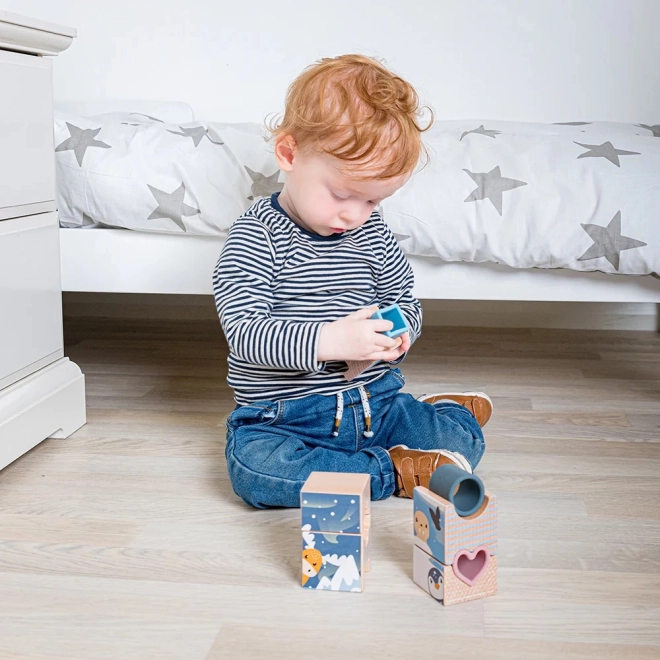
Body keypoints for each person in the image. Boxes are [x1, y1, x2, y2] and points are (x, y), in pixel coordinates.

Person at [213, 54, 492, 508]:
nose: (355, 215)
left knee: (464, 446)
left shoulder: (372, 232)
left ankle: (445, 414)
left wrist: (396, 333)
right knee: (256, 474)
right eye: (342, 194)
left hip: (375, 400)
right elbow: (245, 334)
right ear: (289, 154)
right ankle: (391, 470)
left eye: (372, 201)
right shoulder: (256, 236)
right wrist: (332, 341)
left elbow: (404, 301)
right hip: (284, 419)